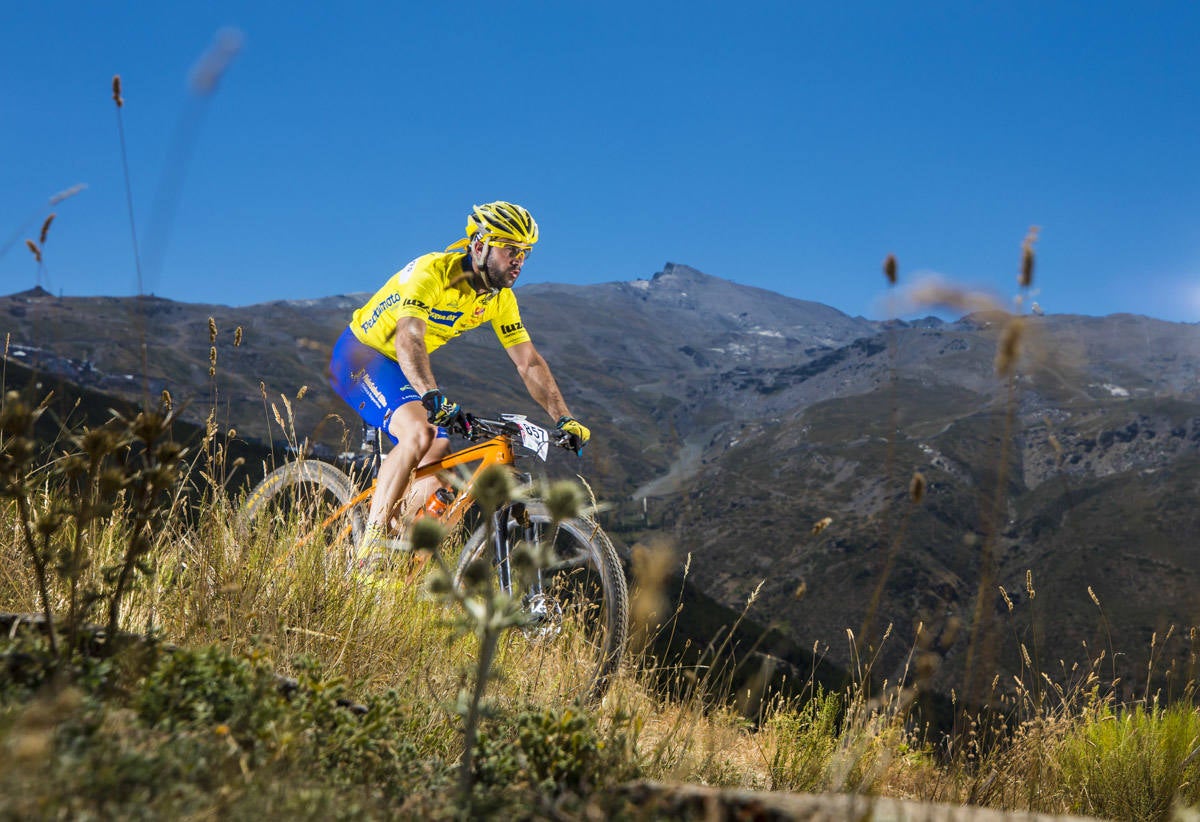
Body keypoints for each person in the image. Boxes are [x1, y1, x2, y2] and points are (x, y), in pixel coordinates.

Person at [328, 201, 590, 559]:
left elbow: (528, 363)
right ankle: (369, 553)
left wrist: (564, 417)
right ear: (479, 246)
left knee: (438, 468)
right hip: (361, 356)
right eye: (510, 249)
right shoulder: (433, 272)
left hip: (402, 368)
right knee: (419, 432)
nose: (519, 260)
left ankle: (397, 557)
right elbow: (409, 337)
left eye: (525, 253)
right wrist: (431, 395)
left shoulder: (499, 300)